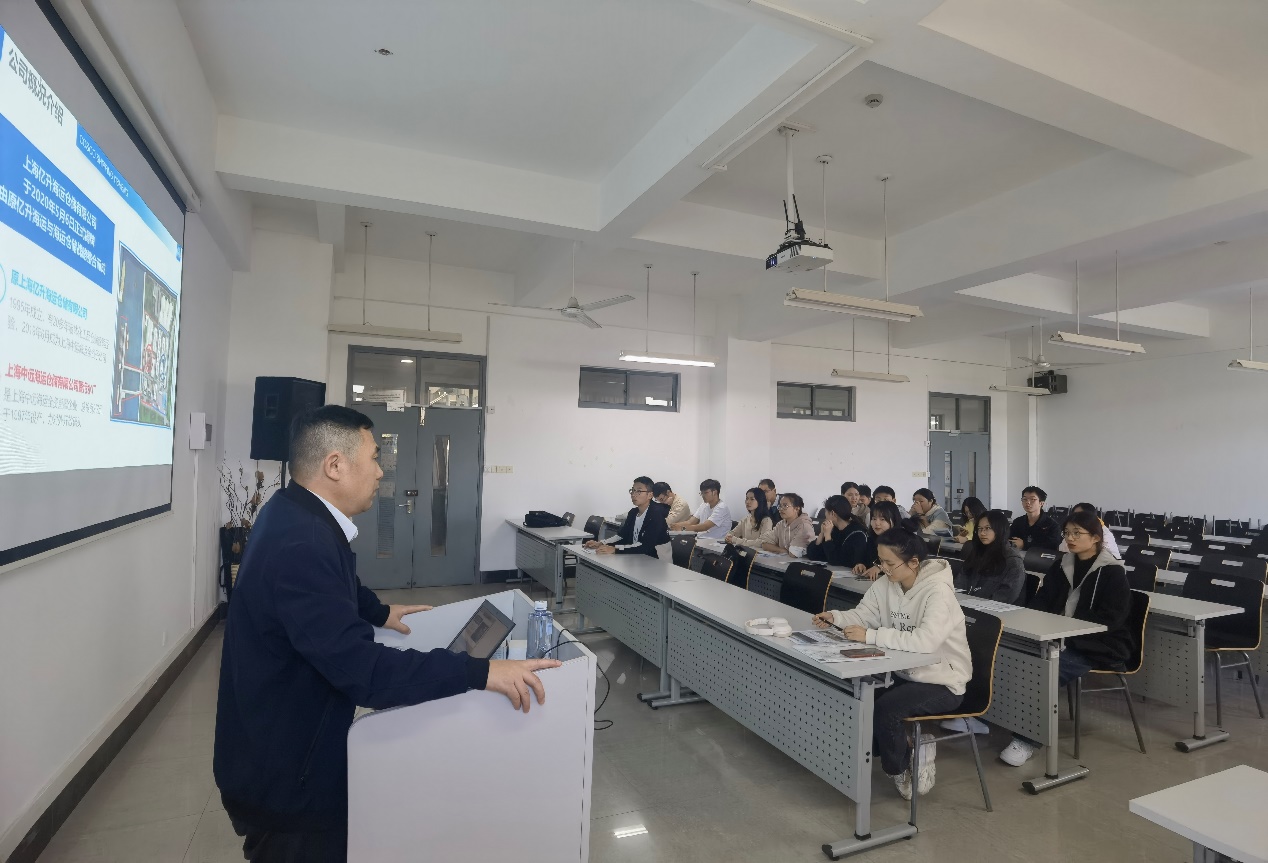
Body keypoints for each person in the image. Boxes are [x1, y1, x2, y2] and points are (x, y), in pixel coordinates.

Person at [214, 406, 558, 862]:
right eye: (375, 457)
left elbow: (336, 585)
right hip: (288, 781)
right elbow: (366, 674)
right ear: (335, 465)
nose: (380, 471)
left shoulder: (293, 511)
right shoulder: (304, 543)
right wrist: (481, 671)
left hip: (277, 752)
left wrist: (378, 611)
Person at [813, 520, 972, 799]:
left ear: (913, 562)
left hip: (943, 680)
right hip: (904, 671)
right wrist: (836, 617)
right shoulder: (887, 584)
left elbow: (925, 642)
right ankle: (906, 747)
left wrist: (871, 636)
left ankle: (899, 767)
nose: (883, 568)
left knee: (886, 710)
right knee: (859, 697)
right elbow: (863, 615)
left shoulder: (938, 592)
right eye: (880, 561)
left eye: (889, 563)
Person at [999, 509, 1133, 767]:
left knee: (1042, 672)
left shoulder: (1112, 572)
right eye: (1067, 533)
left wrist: (1066, 631)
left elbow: (1111, 619)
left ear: (1096, 538)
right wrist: (1031, 620)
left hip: (1097, 645)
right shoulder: (1063, 565)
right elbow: (1043, 600)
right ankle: (986, 717)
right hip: (1058, 637)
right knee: (1008, 654)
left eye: (1077, 533)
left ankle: (1026, 740)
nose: (1070, 538)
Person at [584, 476, 669, 558]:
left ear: (650, 495)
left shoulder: (656, 514)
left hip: (657, 559)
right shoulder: (633, 512)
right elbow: (622, 536)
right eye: (633, 490)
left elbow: (646, 546)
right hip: (637, 556)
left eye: (639, 491)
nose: (633, 494)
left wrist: (615, 550)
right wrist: (601, 543)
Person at [807, 495, 869, 568]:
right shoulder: (833, 529)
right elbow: (813, 555)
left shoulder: (857, 533)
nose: (825, 515)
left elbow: (835, 560)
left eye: (826, 511)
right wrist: (822, 534)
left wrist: (828, 537)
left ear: (832, 513)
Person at [853, 500, 903, 579]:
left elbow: (901, 564)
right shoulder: (871, 539)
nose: (877, 523)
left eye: (882, 519)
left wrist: (880, 568)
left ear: (894, 520)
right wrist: (860, 564)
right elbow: (864, 558)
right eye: (874, 519)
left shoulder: (902, 541)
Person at [1009, 486, 1062, 551]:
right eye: (1025, 499)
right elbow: (1010, 539)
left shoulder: (1052, 525)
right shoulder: (1018, 522)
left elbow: (1052, 546)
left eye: (1032, 499)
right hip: (1018, 555)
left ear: (1041, 503)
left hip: (1040, 557)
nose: (1028, 502)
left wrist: (1025, 545)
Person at [764, 492, 815, 557]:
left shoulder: (804, 525)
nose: (781, 509)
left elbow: (794, 554)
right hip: (783, 560)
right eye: (780, 506)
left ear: (796, 509)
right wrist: (782, 550)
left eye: (785, 506)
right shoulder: (781, 524)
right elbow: (765, 543)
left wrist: (776, 548)